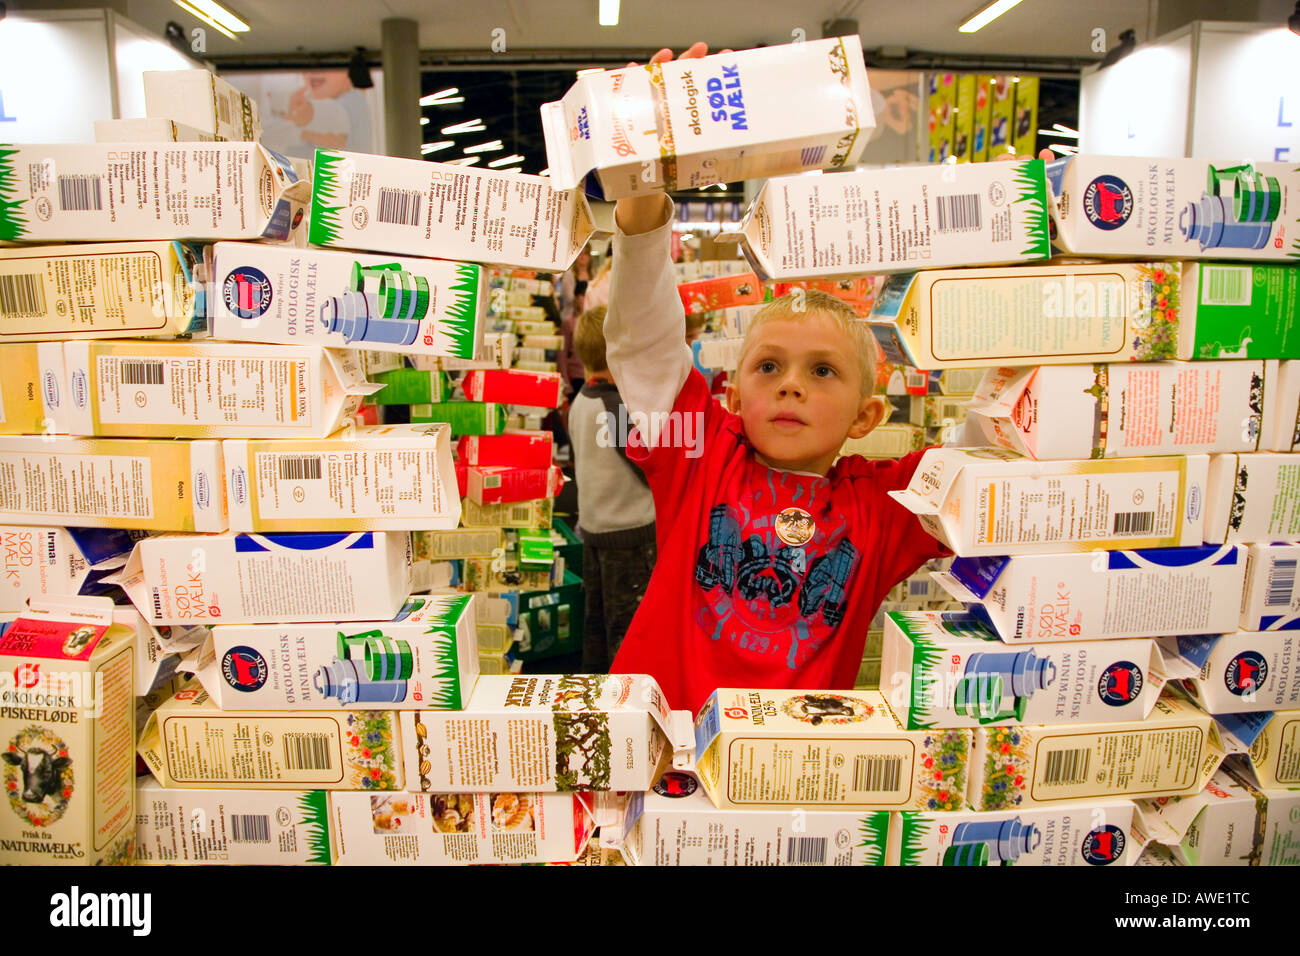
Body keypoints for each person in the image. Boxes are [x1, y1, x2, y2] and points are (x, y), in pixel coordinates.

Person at [601, 42, 971, 714]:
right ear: (734, 394)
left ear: (865, 417)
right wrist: (642, 201)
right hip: (660, 767)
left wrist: (1030, 267)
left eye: (822, 371)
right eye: (768, 365)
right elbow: (645, 346)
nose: (791, 384)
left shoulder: (884, 509)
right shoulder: (701, 455)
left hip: (787, 784)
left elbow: (991, 456)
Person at [568, 305, 657, 674]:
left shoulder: (581, 401)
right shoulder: (617, 407)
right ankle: (625, 696)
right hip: (630, 534)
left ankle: (597, 687)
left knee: (598, 620)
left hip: (594, 528)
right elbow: (649, 469)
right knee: (630, 626)